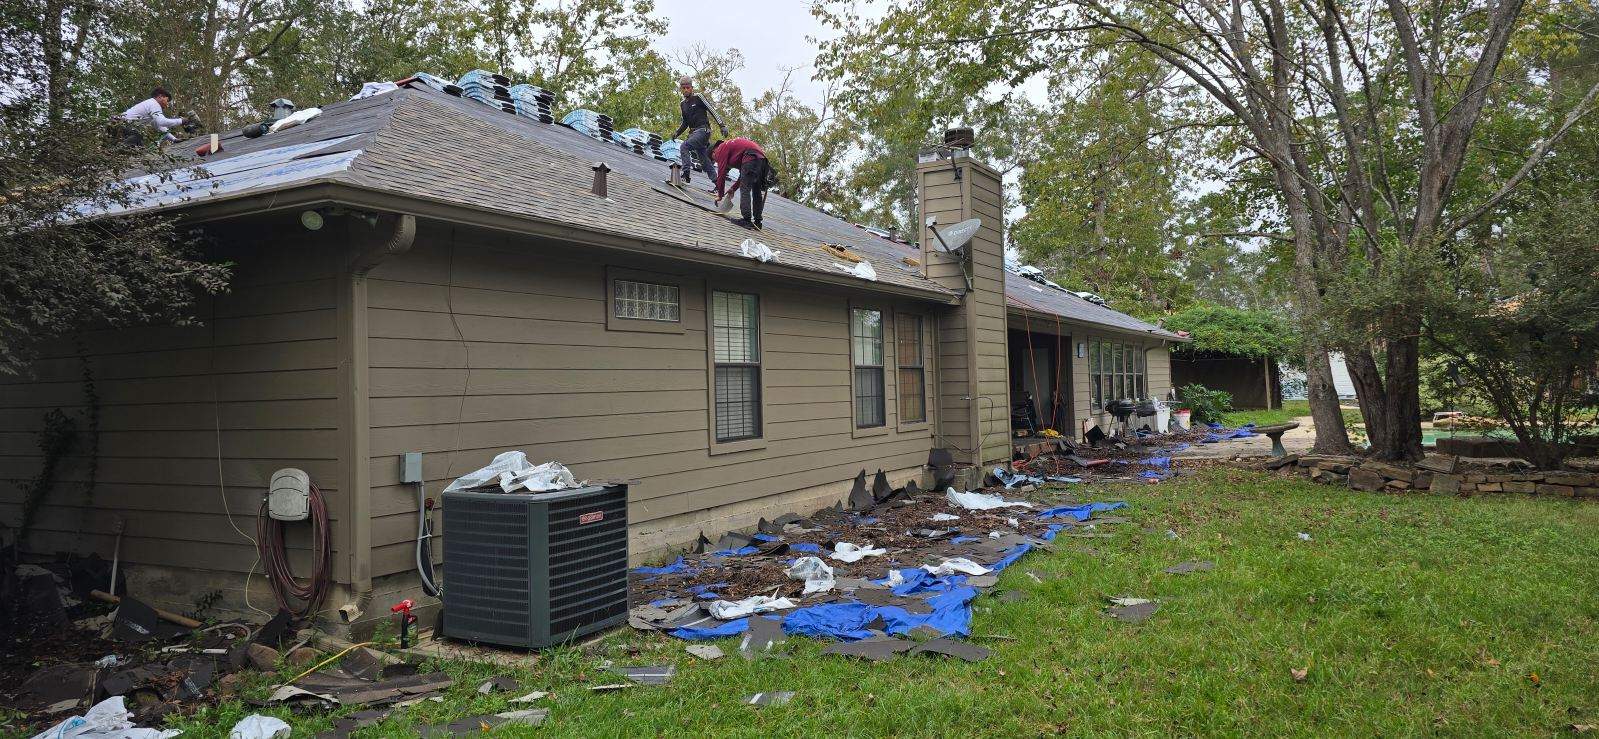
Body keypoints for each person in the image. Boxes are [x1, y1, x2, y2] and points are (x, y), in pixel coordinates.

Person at [670, 76, 728, 187]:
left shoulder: (698, 97)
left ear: (692, 88)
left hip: (703, 131)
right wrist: (677, 133)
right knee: (704, 161)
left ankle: (685, 174)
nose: (686, 90)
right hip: (694, 133)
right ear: (681, 89)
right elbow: (685, 123)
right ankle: (718, 184)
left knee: (684, 147)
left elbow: (712, 110)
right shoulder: (683, 104)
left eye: (688, 87)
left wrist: (722, 125)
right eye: (683, 88)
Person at [711, 137, 773, 230]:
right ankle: (757, 222)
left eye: (715, 160)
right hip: (762, 160)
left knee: (745, 189)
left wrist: (720, 194)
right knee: (756, 192)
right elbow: (743, 175)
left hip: (752, 156)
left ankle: (746, 220)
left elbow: (721, 173)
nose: (717, 161)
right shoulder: (735, 149)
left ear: (713, 152)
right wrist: (733, 189)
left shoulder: (721, 148)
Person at [117, 87, 188, 146]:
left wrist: (174, 139)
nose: (167, 105)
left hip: (120, 123)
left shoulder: (150, 105)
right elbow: (162, 122)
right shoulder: (154, 104)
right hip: (122, 123)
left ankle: (122, 150)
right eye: (167, 100)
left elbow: (159, 126)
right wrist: (181, 121)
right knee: (138, 136)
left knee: (140, 146)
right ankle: (120, 149)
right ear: (160, 97)